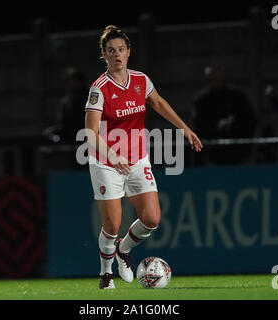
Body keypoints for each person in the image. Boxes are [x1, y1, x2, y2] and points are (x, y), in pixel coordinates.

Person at [84, 25, 203, 289]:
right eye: (111, 51)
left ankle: (123, 252)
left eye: (121, 50)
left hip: (137, 159)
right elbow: (90, 133)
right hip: (106, 162)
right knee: (112, 224)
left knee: (152, 219)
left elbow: (158, 103)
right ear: (103, 55)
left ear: (129, 52)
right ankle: (106, 275)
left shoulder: (141, 80)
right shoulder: (99, 89)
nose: (117, 55)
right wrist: (112, 156)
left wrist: (185, 129)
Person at [191, 66, 257, 165]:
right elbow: (197, 126)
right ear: (208, 78)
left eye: (219, 76)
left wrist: (234, 124)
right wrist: (216, 127)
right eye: (213, 76)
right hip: (212, 155)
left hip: (239, 152)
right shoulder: (201, 100)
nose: (217, 79)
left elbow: (251, 120)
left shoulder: (237, 96)